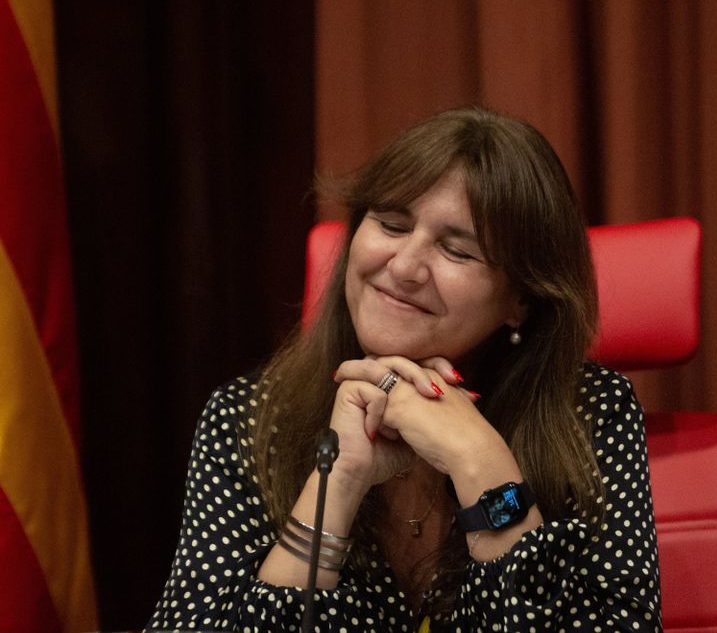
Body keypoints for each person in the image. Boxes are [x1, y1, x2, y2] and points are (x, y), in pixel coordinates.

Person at [148, 107, 662, 632]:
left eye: (457, 250)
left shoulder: (593, 413)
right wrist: (338, 483)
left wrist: (479, 460)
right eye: (392, 224)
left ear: (521, 299)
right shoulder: (251, 418)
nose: (404, 267)